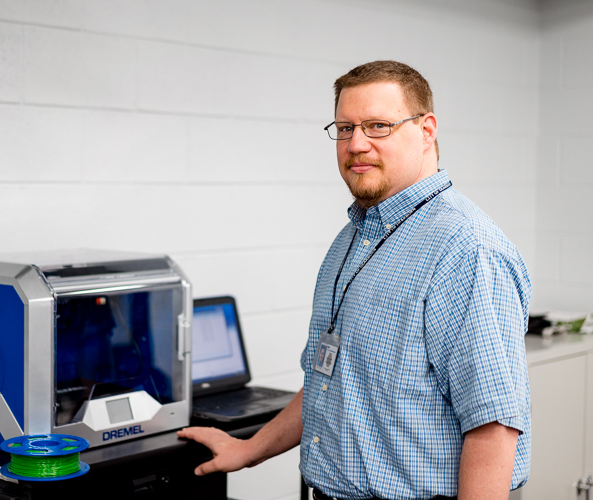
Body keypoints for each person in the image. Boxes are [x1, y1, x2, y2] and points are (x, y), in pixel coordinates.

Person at [178, 60, 532, 500]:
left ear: (427, 130)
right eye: (345, 128)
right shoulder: (354, 238)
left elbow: (494, 426)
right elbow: (329, 382)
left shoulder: (466, 249)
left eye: (377, 125)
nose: (356, 143)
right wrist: (249, 450)